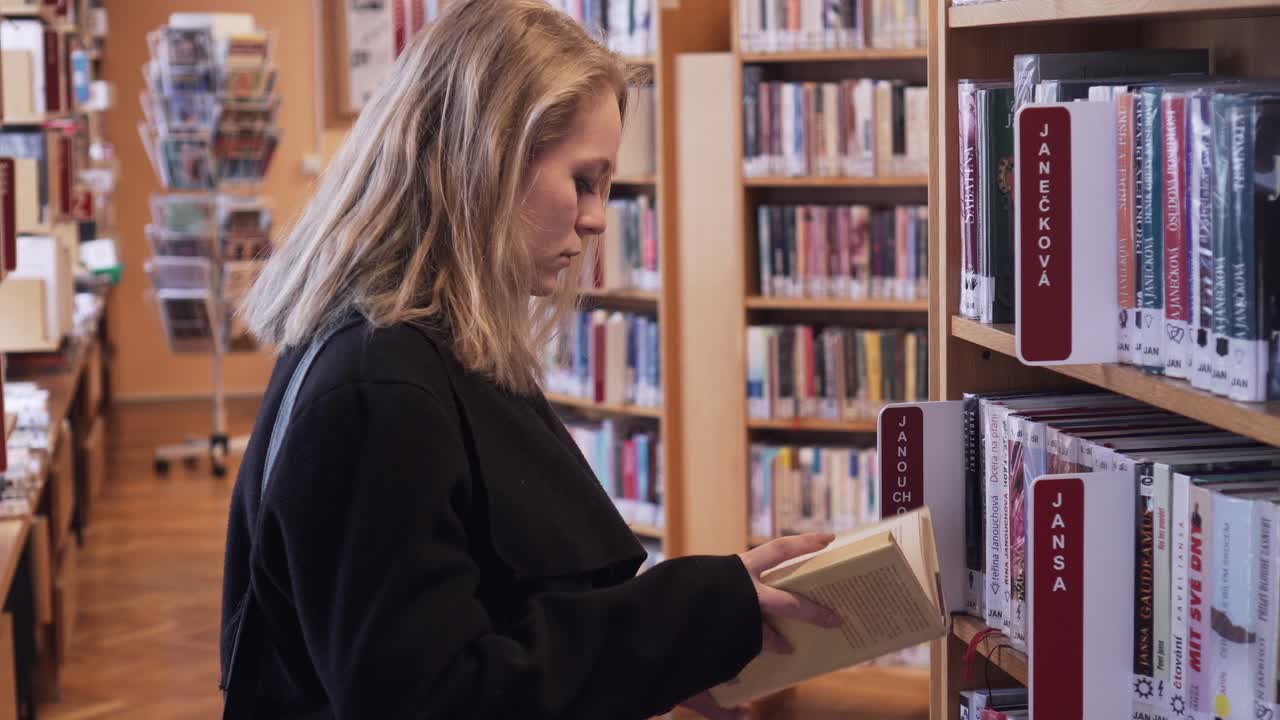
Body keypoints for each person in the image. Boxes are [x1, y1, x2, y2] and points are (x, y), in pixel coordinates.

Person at [219, 1, 841, 718]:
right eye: (583, 180)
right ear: (488, 160)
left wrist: (671, 652)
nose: (597, 217)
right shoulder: (379, 389)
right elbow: (439, 697)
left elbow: (505, 613)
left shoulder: (429, 350)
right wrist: (679, 619)